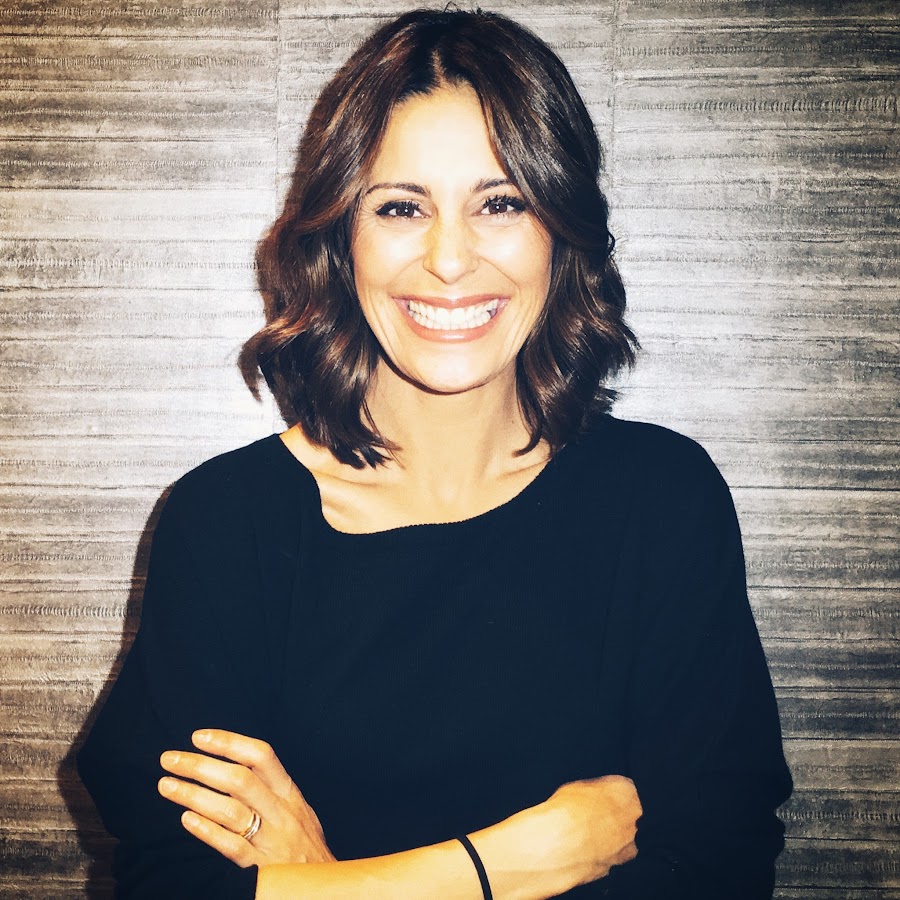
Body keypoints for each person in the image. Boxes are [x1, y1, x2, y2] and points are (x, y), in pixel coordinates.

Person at [77, 9, 793, 899]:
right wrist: (505, 863)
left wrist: (324, 884)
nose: (450, 260)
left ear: (561, 232)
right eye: (401, 207)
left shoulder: (663, 500)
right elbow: (174, 884)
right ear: (342, 239)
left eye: (501, 203)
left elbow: (716, 862)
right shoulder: (227, 522)